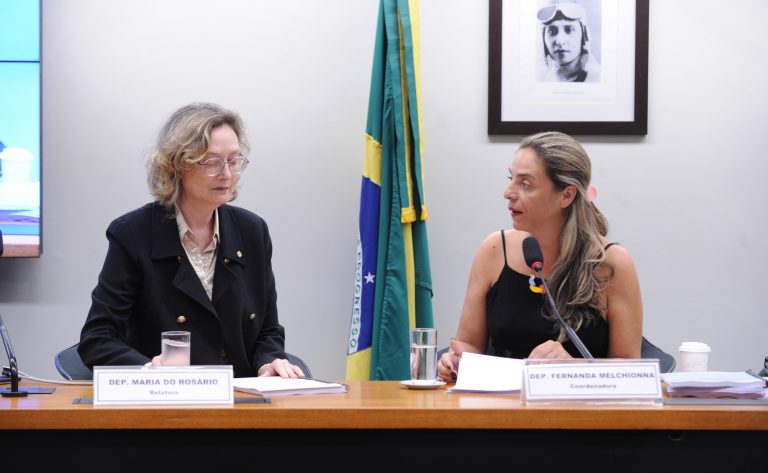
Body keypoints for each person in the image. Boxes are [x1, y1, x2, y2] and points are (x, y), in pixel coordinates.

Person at [79, 102, 304, 378]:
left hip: (240, 395)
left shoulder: (252, 231)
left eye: (234, 160)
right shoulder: (133, 234)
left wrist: (267, 362)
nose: (227, 174)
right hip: (166, 396)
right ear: (177, 165)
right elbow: (98, 337)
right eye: (212, 162)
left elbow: (267, 331)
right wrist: (149, 370)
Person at [437, 131, 642, 382]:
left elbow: (631, 368)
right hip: (499, 402)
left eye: (525, 183)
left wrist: (573, 367)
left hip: (579, 404)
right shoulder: (494, 250)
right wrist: (454, 361)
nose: (508, 192)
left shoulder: (611, 263)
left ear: (566, 195)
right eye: (511, 179)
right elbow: (468, 345)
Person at [537, 1, 601, 83]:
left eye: (569, 30)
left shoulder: (597, 78)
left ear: (584, 36)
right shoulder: (546, 78)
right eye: (552, 31)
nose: (560, 41)